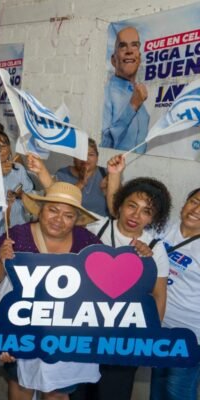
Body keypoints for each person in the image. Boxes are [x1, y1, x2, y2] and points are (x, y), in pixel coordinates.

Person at [0, 182, 101, 399]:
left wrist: (140, 258)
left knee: (57, 391)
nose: (59, 219)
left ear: (76, 219)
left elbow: (104, 284)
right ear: (40, 210)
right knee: (21, 386)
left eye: (68, 215)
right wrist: (0, 259)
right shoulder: (16, 235)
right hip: (21, 329)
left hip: (64, 333)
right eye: (53, 210)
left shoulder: (88, 241)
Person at [74, 155, 171, 400]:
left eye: (146, 211)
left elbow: (159, 295)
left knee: (113, 392)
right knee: (78, 393)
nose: (136, 215)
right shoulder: (95, 228)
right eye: (131, 205)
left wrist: (150, 338)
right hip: (85, 332)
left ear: (154, 218)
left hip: (125, 339)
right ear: (119, 205)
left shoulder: (155, 248)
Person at [150, 187, 200, 399]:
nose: (196, 210)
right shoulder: (162, 230)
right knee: (158, 387)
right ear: (185, 203)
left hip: (190, 334)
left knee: (177, 391)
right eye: (194, 201)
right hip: (159, 326)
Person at [30, 139, 109, 217]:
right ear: (73, 157)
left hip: (102, 222)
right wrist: (81, 183)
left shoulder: (106, 173)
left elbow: (114, 206)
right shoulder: (63, 174)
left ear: (97, 157)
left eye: (91, 154)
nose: (85, 158)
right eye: (81, 155)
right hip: (71, 222)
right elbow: (59, 203)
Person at [101, 26, 149, 153]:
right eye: (122, 46)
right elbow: (103, 145)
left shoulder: (139, 94)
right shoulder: (105, 93)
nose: (129, 51)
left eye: (134, 45)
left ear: (139, 58)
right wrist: (133, 106)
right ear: (113, 60)